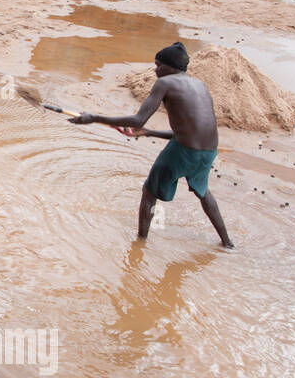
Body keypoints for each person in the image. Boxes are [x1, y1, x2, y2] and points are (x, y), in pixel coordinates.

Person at [71, 41, 234, 248]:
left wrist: (94, 117)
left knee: (149, 193)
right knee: (203, 192)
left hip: (184, 151)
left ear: (171, 66)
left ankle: (140, 244)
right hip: (209, 151)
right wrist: (149, 133)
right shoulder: (200, 85)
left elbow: (138, 120)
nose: (156, 70)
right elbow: (189, 132)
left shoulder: (165, 83)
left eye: (158, 65)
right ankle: (227, 243)